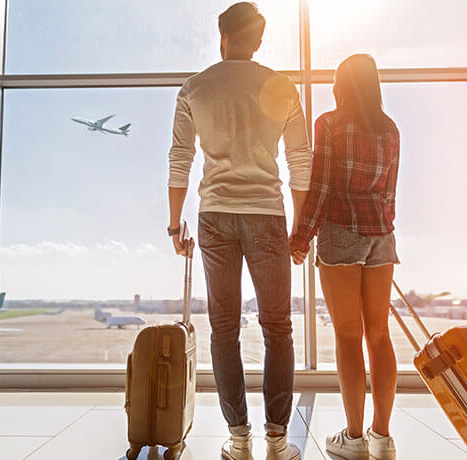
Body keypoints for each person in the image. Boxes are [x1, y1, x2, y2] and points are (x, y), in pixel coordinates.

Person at [167, 3, 311, 459]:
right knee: (278, 328)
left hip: (215, 214)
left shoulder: (195, 88)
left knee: (223, 329)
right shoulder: (283, 86)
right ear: (260, 41)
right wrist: (301, 228)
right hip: (268, 213)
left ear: (221, 35)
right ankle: (277, 438)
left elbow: (180, 159)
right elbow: (300, 160)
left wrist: (175, 225)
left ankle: (238, 438)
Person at [290, 54, 400, 460]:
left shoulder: (330, 124)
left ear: (341, 84)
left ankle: (353, 440)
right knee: (380, 336)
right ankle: (382, 438)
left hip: (340, 232)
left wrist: (301, 238)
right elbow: (390, 194)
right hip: (381, 237)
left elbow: (319, 187)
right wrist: (380, 233)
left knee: (348, 336)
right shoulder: (390, 129)